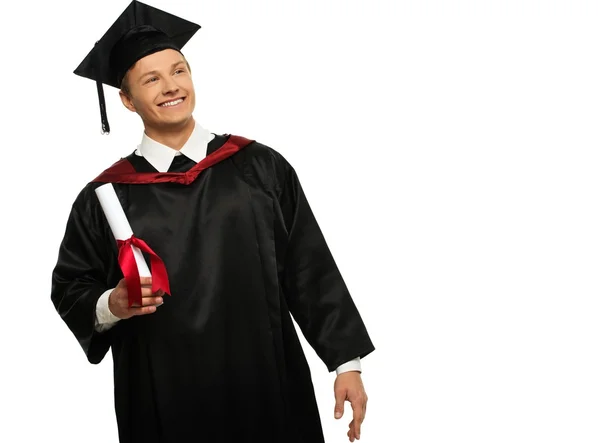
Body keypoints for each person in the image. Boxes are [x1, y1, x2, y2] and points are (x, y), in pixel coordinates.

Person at [50, 1, 375, 442]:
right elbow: (71, 287)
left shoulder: (258, 167)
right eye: (151, 79)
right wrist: (114, 302)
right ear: (126, 100)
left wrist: (346, 363)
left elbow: (307, 265)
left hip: (266, 382)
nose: (171, 86)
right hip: (163, 398)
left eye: (178, 71)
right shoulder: (106, 197)